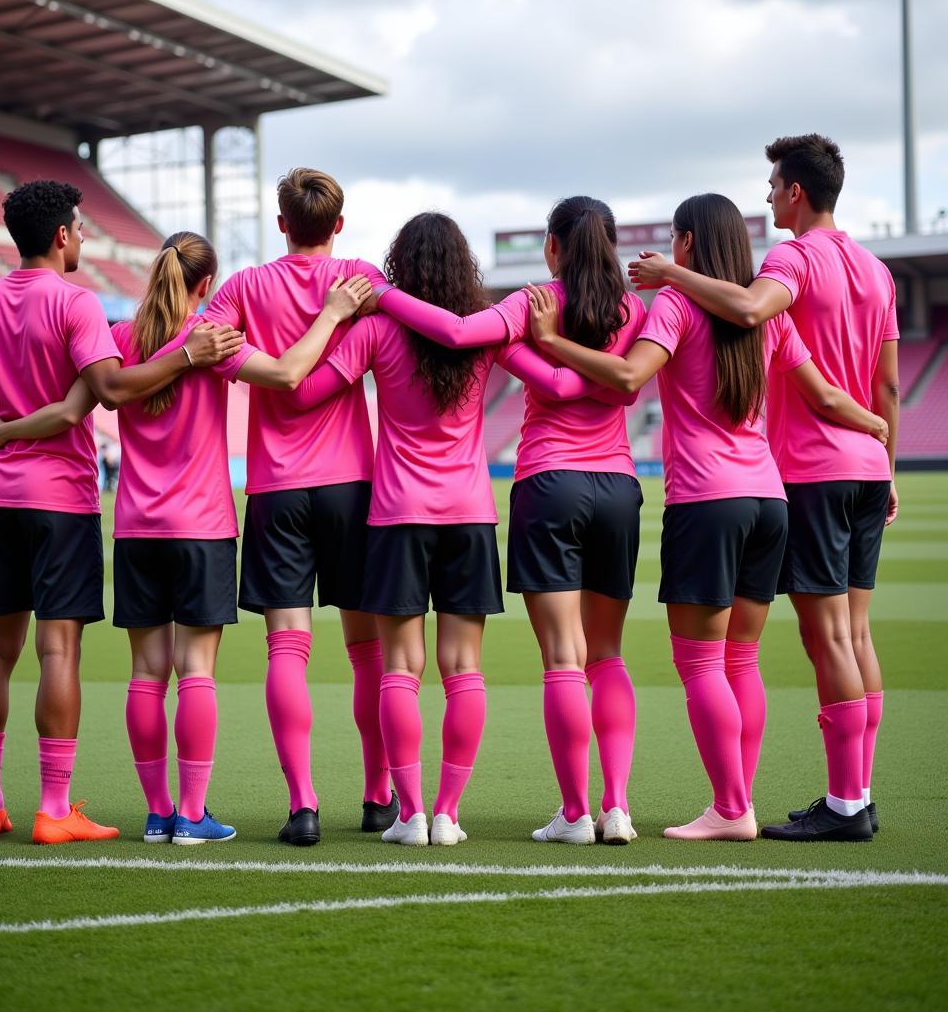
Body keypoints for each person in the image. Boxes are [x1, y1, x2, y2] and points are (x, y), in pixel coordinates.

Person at [0, 231, 372, 844]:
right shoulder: (213, 339)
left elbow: (72, 407)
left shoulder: (118, 340)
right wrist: (331, 314)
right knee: (195, 674)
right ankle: (192, 815)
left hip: (136, 526)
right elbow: (290, 373)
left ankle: (158, 811)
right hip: (203, 527)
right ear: (207, 284)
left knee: (146, 674)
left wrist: (6, 433)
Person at [528, 192, 889, 840]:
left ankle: (731, 808)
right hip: (769, 500)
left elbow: (625, 375)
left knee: (701, 664)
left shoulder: (676, 303)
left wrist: (551, 340)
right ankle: (736, 801)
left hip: (707, 500)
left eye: (675, 237)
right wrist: (879, 435)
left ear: (688, 243)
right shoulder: (768, 314)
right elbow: (827, 394)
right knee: (741, 660)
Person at [289, 211, 616, 845]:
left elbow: (302, 394)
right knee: (463, 669)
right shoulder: (489, 337)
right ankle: (447, 812)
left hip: (396, 515)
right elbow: (559, 382)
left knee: (399, 670)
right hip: (469, 515)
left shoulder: (376, 333)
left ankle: (408, 816)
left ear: (400, 268)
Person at [629, 136, 900, 842]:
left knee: (763, 651)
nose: (770, 197)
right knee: (835, 639)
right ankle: (852, 795)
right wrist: (884, 448)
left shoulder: (780, 268)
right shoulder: (875, 270)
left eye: (774, 187)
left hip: (793, 474)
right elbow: (883, 386)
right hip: (814, 482)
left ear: (796, 192)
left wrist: (665, 281)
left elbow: (736, 316)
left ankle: (792, 804)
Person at [0, 181, 242, 845]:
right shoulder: (77, 304)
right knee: (59, 648)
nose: (84, 238)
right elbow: (108, 390)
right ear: (61, 236)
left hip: (0, 496)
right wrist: (190, 352)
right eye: (80, 230)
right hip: (62, 501)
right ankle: (55, 808)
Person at [367, 197, 645, 845]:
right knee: (601, 655)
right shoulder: (632, 310)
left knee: (555, 660)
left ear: (552, 246)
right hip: (600, 489)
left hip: (530, 486)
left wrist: (381, 296)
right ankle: (614, 807)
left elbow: (466, 336)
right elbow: (578, 385)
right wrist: (545, 352)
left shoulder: (528, 306)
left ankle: (554, 814)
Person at [203, 168, 394, 846]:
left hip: (277, 488)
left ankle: (304, 806)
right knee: (368, 650)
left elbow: (194, 343)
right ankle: (379, 797)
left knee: (287, 645)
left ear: (281, 223)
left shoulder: (246, 286)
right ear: (337, 225)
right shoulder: (362, 276)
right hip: (353, 484)